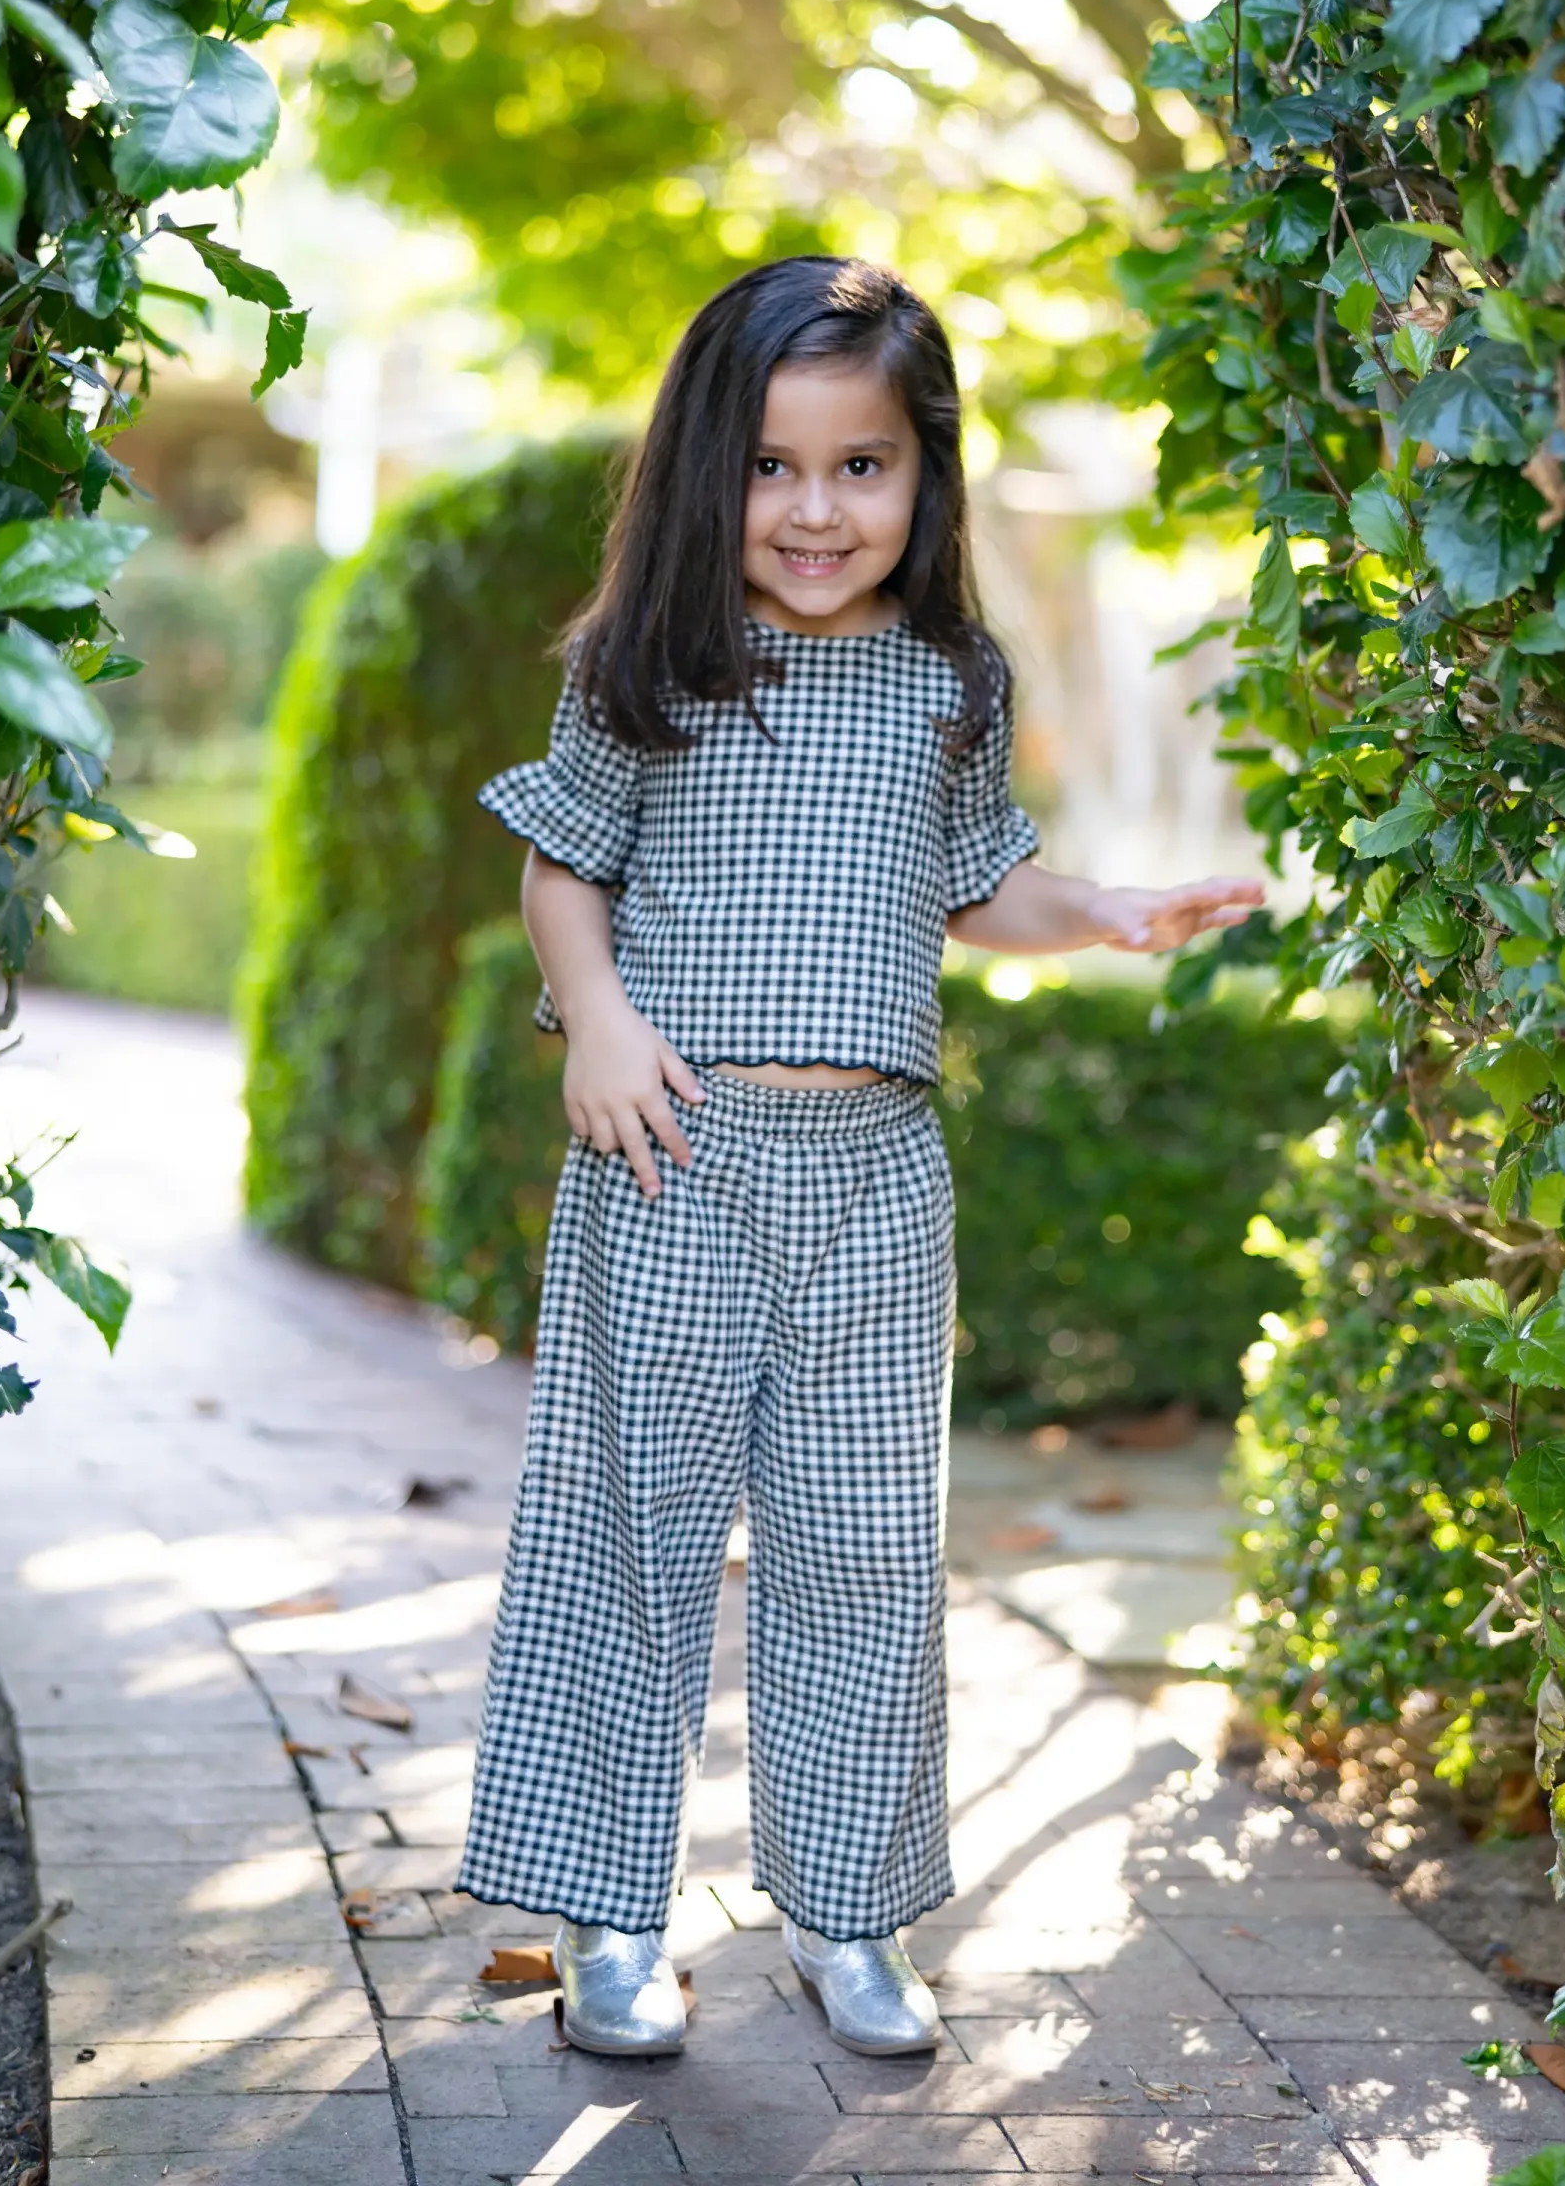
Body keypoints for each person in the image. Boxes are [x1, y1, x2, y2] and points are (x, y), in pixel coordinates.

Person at [457, 254, 1262, 2061]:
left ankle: (849, 1913)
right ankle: (606, 1920)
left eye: (862, 467)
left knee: (865, 1549)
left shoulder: (952, 678)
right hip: (675, 1156)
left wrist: (1114, 910)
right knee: (625, 1539)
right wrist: (591, 1016)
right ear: (703, 474)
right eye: (769, 466)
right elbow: (561, 863)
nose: (815, 510)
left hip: (878, 1179)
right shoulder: (648, 665)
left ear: (925, 475)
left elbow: (985, 889)